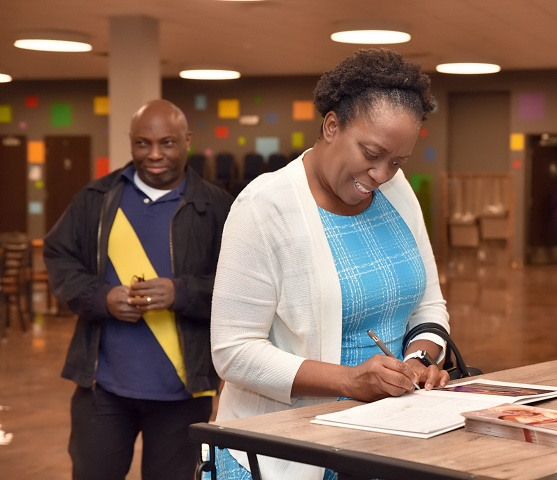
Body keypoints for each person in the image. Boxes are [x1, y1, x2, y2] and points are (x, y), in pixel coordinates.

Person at [209, 48, 451, 480]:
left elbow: (428, 305)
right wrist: (348, 380)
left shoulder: (398, 193)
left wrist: (417, 361)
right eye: (371, 153)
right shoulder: (264, 208)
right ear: (331, 125)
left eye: (397, 161)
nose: (381, 174)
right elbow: (233, 352)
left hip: (382, 445)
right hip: (282, 455)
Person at [43, 99, 234, 480]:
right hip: (102, 389)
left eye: (167, 143)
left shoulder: (215, 206)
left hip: (184, 392)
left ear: (187, 140)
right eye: (142, 143)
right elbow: (59, 257)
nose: (154, 154)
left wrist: (181, 293)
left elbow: (239, 287)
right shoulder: (96, 199)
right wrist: (101, 297)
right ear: (131, 142)